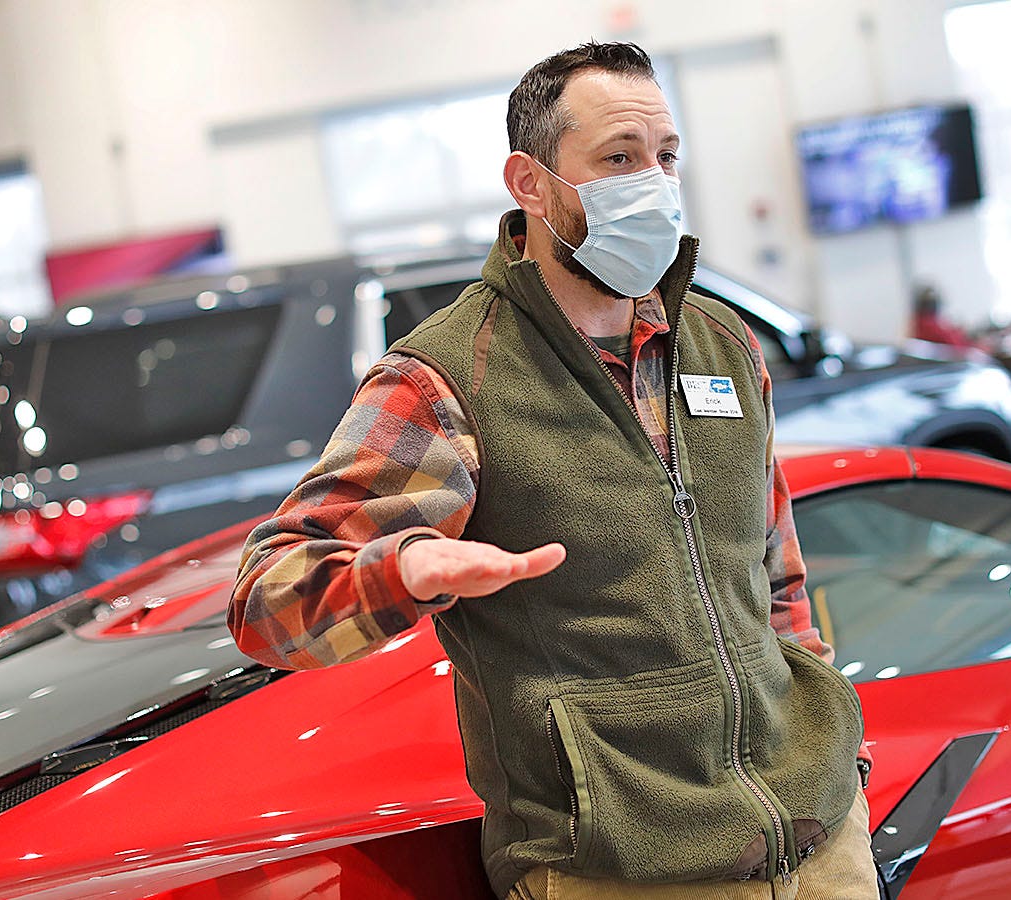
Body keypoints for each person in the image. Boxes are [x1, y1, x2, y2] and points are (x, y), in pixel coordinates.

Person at [228, 41, 874, 900]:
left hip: (818, 839)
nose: (653, 181)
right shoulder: (446, 378)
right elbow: (266, 607)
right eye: (617, 159)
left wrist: (837, 743)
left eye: (664, 157)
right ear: (529, 183)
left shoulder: (720, 343)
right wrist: (405, 571)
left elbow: (774, 575)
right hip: (619, 867)